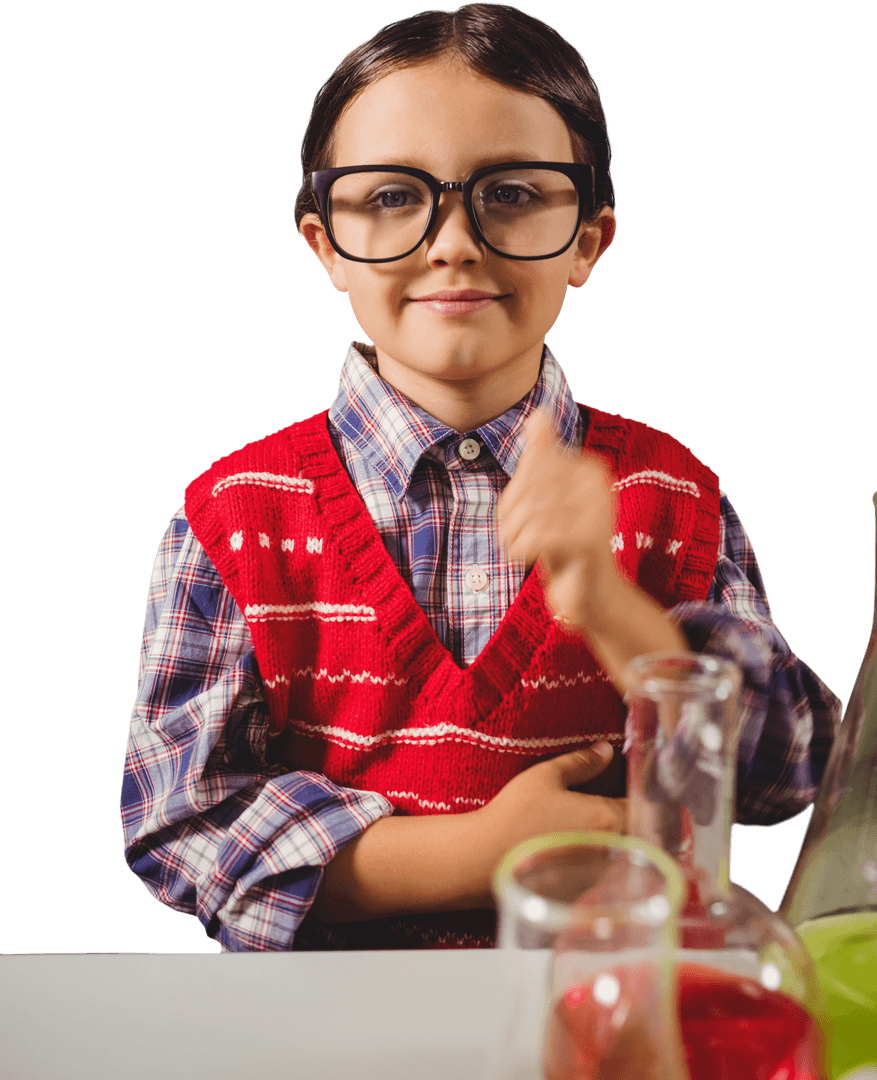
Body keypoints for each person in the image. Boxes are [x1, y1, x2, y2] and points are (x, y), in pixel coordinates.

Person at [121, 3, 840, 952]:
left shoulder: (672, 502)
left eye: (510, 193)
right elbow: (181, 825)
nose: (453, 240)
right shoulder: (236, 520)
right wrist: (478, 851)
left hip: (610, 1028)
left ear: (587, 239)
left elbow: (793, 776)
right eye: (389, 197)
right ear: (323, 244)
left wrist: (619, 615)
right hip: (328, 1040)